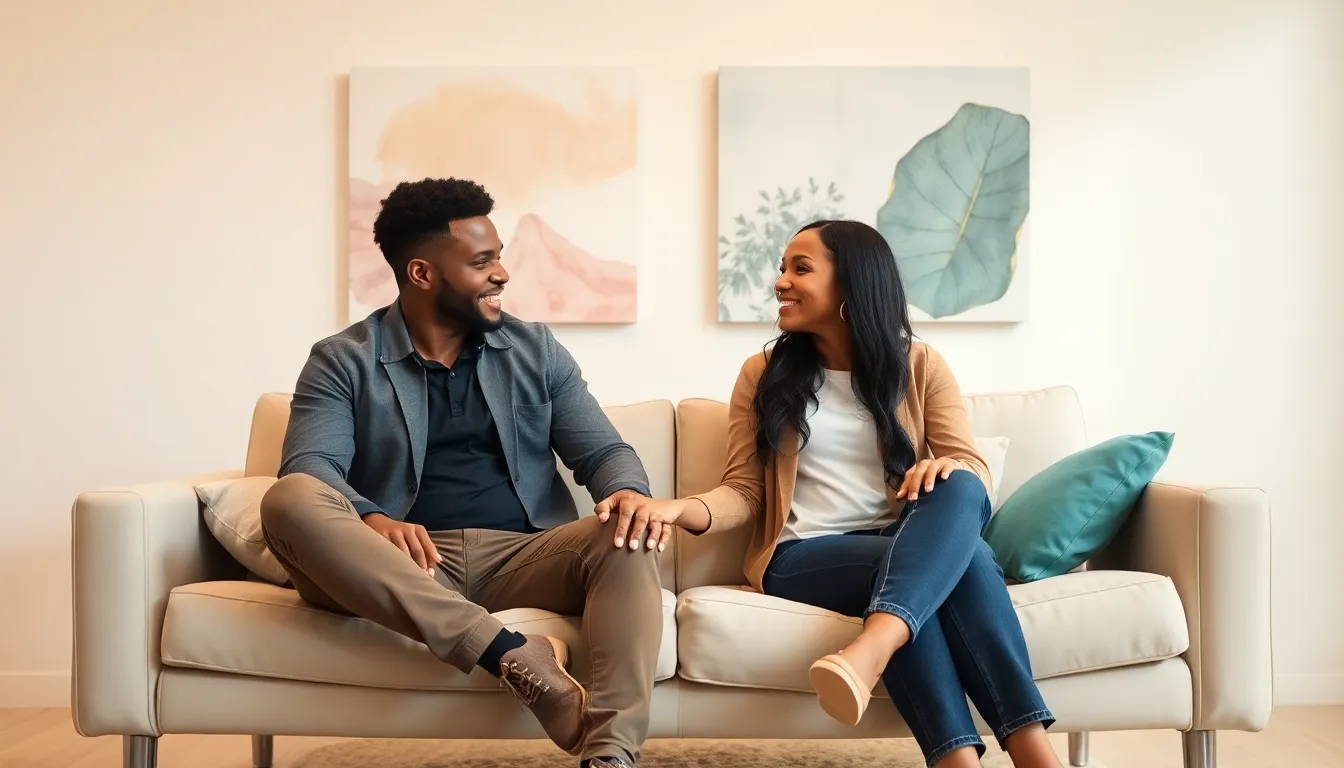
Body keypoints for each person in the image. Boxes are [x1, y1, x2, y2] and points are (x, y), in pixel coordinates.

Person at [598, 220, 1062, 768]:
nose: (781, 282)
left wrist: (940, 465)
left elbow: (972, 466)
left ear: (850, 284)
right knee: (960, 559)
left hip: (901, 542)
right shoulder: (764, 373)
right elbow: (745, 490)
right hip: (800, 555)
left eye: (801, 268)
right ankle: (1034, 754)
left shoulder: (920, 365)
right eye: (782, 269)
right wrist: (681, 509)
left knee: (957, 487)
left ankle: (884, 666)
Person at [260, 177, 663, 768]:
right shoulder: (342, 359)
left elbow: (603, 452)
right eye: (483, 261)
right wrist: (371, 517)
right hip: (400, 566)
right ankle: (512, 655)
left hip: (523, 558)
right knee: (288, 498)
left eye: (498, 257)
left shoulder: (536, 351)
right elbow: (310, 465)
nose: (502, 273)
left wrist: (627, 491)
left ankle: (609, 756)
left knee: (627, 530)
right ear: (422, 274)